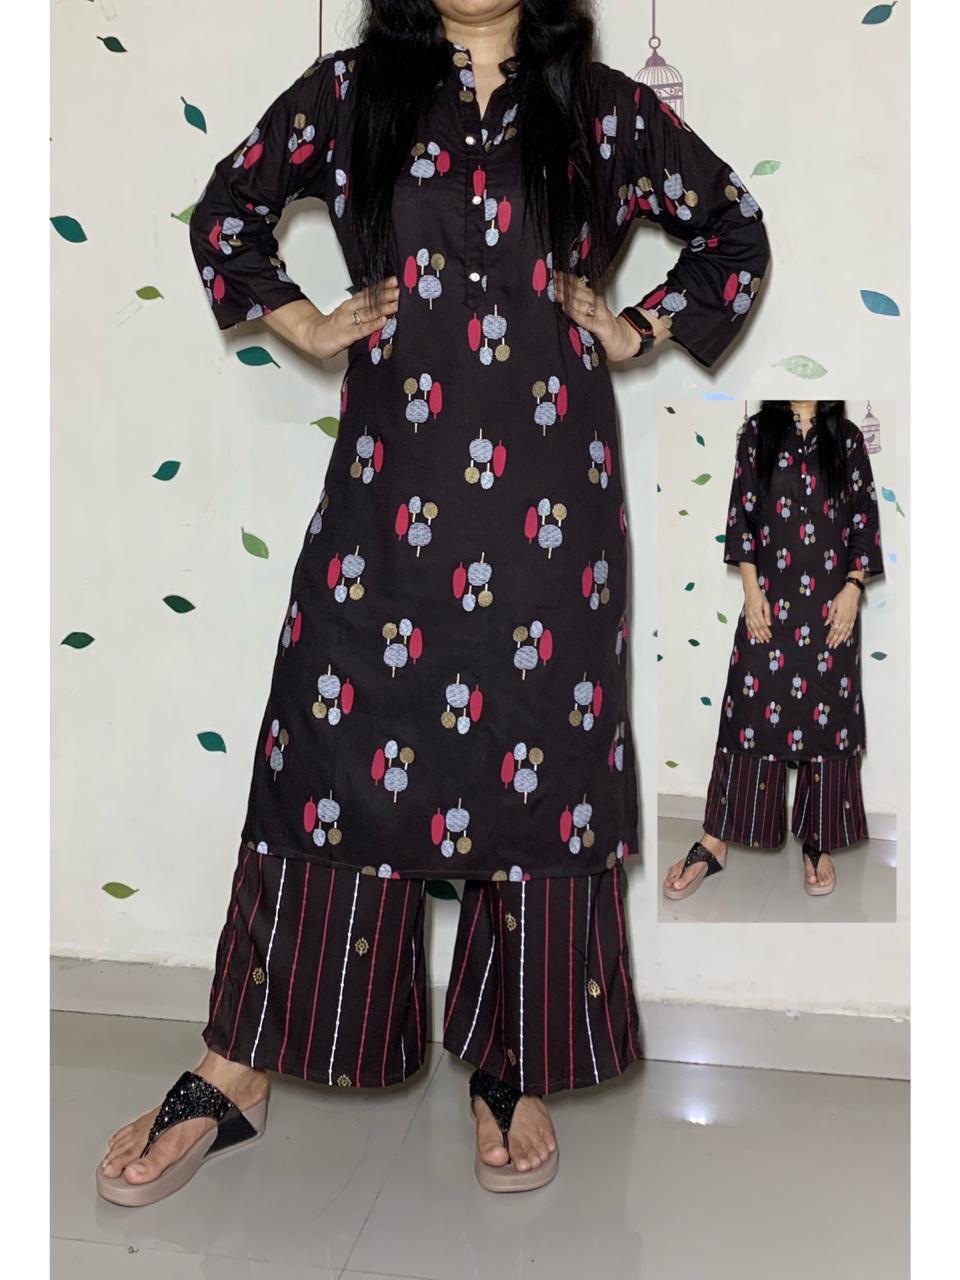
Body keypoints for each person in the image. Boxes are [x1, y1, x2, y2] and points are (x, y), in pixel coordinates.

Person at [98, 0, 769, 1203]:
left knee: (537, 764)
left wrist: (640, 326)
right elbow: (227, 212)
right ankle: (239, 1060)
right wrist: (303, 321)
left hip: (552, 518)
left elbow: (735, 228)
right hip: (386, 505)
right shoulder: (354, 92)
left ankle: (511, 1060)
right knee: (324, 750)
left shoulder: (601, 109)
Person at [664, 401, 883, 902]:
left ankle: (817, 839)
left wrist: (853, 589)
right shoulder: (758, 433)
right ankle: (716, 839)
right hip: (769, 604)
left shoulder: (848, 437)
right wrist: (751, 591)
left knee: (827, 719)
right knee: (747, 713)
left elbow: (863, 518)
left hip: (832, 609)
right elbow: (742, 514)